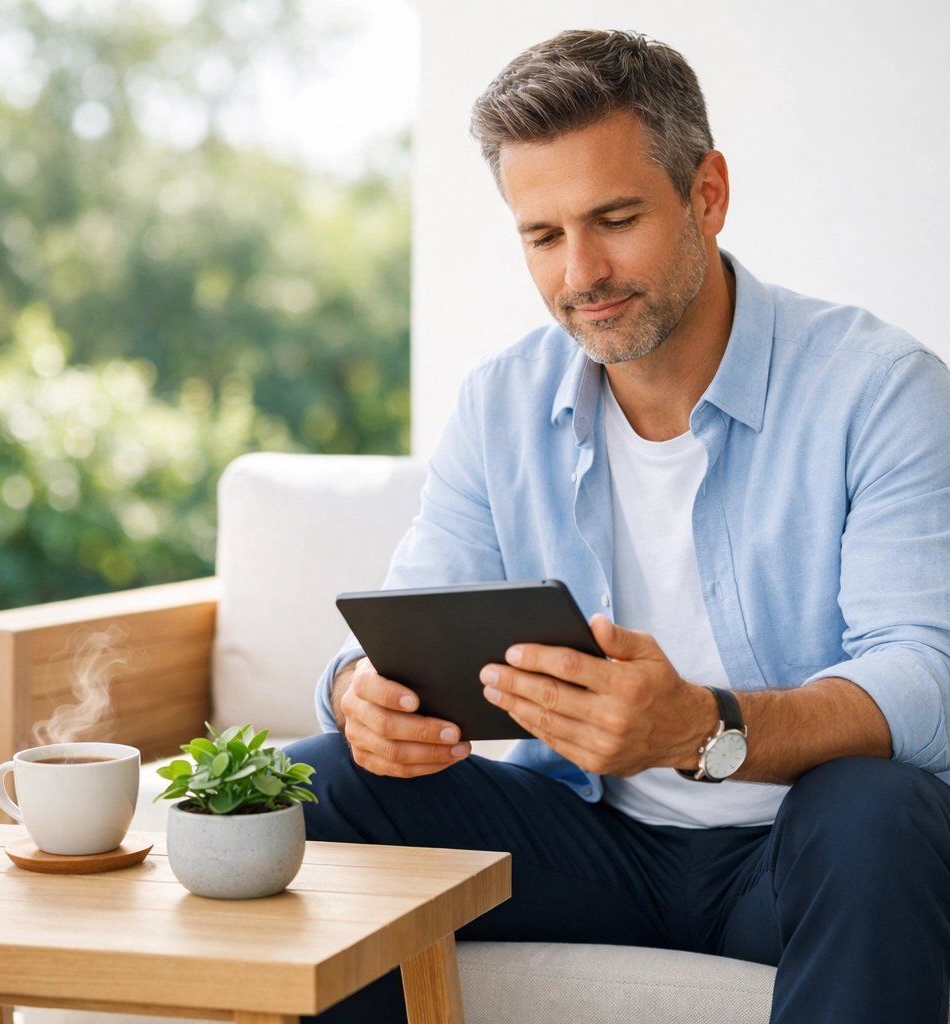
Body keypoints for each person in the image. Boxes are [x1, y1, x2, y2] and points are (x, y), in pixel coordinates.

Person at [286, 29, 950, 1024]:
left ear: (707, 194)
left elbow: (926, 672)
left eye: (614, 219)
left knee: (876, 808)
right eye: (542, 237)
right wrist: (356, 692)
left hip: (798, 853)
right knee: (319, 780)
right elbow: (405, 615)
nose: (580, 272)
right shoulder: (501, 403)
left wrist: (703, 727)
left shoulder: (878, 389)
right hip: (587, 843)